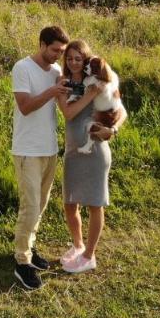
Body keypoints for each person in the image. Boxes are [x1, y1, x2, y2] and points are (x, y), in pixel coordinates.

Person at [10, 24, 70, 291]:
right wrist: (51, 92)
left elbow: (63, 107)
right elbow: (25, 107)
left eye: (62, 51)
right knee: (30, 206)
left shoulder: (57, 71)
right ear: (42, 45)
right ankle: (22, 263)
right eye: (55, 50)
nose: (58, 55)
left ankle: (29, 248)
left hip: (49, 149)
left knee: (41, 205)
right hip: (27, 150)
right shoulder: (22, 68)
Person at [57, 39, 119, 274]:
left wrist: (112, 130)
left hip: (95, 151)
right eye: (69, 58)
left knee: (94, 204)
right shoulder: (62, 83)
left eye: (78, 58)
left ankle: (89, 255)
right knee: (69, 203)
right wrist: (90, 94)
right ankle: (78, 245)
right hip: (73, 152)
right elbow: (69, 113)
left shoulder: (99, 79)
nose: (73, 62)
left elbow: (120, 108)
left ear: (85, 61)